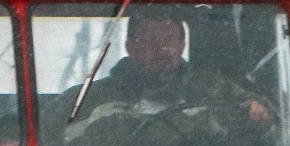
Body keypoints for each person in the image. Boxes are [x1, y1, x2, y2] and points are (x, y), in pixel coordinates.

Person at [72, 10, 274, 128]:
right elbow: (55, 133)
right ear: (130, 47)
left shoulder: (217, 89)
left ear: (182, 45)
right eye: (151, 40)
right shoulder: (92, 99)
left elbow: (271, 122)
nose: (162, 49)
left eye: (170, 39)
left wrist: (257, 113)